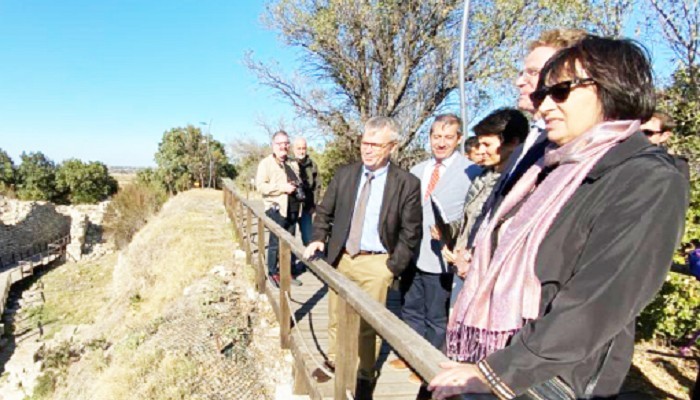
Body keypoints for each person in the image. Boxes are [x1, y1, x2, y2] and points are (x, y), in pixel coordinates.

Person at [429, 35, 689, 399]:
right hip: (494, 359)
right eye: (542, 94)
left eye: (562, 90)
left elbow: (597, 301)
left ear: (612, 86)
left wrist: (500, 371)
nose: (545, 104)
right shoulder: (548, 160)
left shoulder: (649, 179)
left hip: (553, 378)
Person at [303, 116, 422, 396]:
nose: (367, 149)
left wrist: (390, 268)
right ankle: (335, 360)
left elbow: (411, 232)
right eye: (364, 143)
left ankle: (365, 373)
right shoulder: (345, 175)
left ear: (391, 147)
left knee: (368, 325)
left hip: (377, 262)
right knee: (335, 316)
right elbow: (324, 212)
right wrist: (319, 238)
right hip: (341, 258)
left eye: (376, 145)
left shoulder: (406, 183)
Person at [391, 114, 478, 389]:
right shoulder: (417, 170)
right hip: (413, 253)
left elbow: (473, 215)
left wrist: (452, 236)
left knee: (436, 314)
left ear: (459, 139)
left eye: (448, 137)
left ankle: (429, 363)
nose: (441, 143)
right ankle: (410, 355)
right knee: (411, 307)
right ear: (429, 138)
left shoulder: (471, 171)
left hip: (442, 257)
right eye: (436, 137)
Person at [445, 108, 529, 308]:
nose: (480, 150)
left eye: (487, 144)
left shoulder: (522, 184)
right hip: (464, 267)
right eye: (479, 143)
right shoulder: (483, 177)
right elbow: (472, 218)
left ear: (513, 143)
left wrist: (473, 258)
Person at [255, 131, 303, 287]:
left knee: (289, 240)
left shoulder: (292, 163)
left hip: (293, 207)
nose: (283, 146)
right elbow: (260, 186)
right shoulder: (266, 163)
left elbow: (298, 181)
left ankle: (286, 272)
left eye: (286, 143)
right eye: (280, 143)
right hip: (276, 208)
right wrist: (282, 188)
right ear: (273, 145)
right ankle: (272, 273)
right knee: (275, 242)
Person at [640, 111, 690, 180]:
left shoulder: (676, 165)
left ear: (664, 136)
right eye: (636, 132)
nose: (639, 136)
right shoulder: (623, 156)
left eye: (647, 133)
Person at [291, 137, 319, 245]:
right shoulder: (288, 164)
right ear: (294, 149)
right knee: (289, 238)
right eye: (299, 148)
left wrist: (314, 205)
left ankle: (309, 261)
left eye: (303, 148)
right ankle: (290, 261)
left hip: (307, 207)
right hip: (292, 208)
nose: (301, 151)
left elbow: (317, 186)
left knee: (308, 238)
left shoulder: (312, 165)